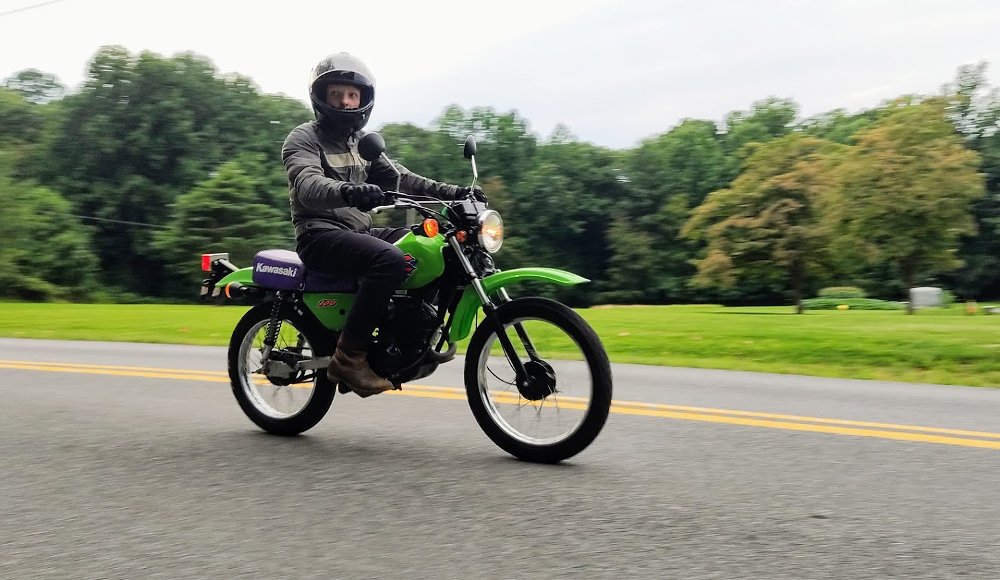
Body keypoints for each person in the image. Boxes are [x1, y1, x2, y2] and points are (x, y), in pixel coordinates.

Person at [281, 52, 480, 398]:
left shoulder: (361, 144)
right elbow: (308, 186)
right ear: (322, 97)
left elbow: (402, 179)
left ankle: (413, 337)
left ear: (363, 100)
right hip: (319, 236)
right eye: (337, 94)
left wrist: (458, 193)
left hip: (357, 232)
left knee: (432, 247)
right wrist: (350, 191)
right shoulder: (303, 139)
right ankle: (349, 357)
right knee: (390, 260)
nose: (345, 101)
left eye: (353, 95)